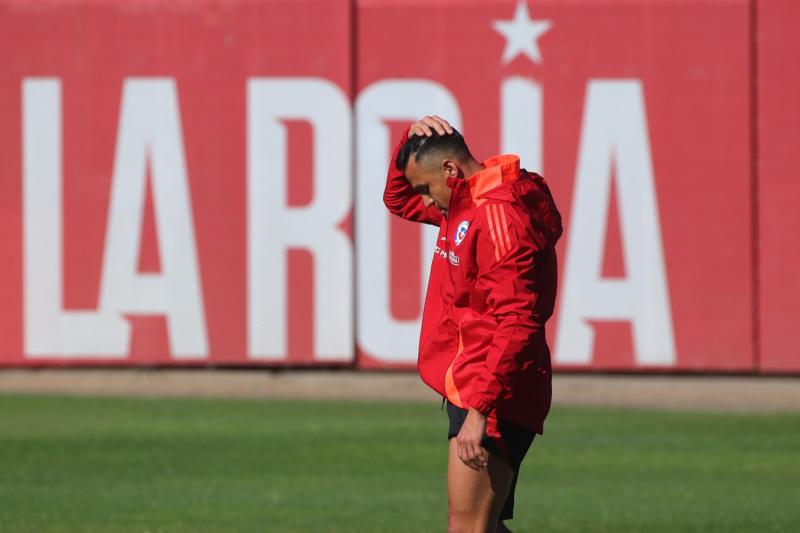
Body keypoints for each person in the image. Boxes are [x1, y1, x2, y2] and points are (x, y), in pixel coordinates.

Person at [383, 115, 562, 532]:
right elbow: (397, 200)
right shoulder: (465, 201)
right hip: (476, 380)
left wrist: (480, 410)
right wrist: (408, 142)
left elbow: (519, 322)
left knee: (468, 528)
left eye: (427, 189)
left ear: (450, 170)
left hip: (493, 388)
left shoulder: (497, 217)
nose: (425, 202)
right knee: (484, 526)